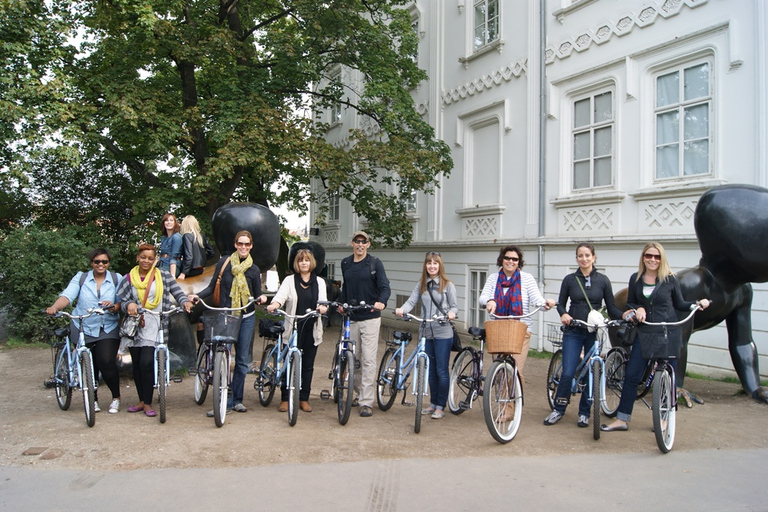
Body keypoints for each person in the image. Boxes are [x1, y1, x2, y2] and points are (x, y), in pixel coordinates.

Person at [601, 242, 710, 432]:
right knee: (632, 376)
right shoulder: (636, 279)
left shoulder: (670, 280)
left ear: (662, 259)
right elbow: (632, 302)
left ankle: (665, 418)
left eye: (657, 256)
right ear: (643, 258)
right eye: (649, 256)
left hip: (668, 333)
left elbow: (681, 304)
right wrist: (638, 308)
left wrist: (697, 304)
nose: (653, 259)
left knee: (668, 378)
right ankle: (622, 419)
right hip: (645, 332)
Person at [545, 242, 624, 428]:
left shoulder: (603, 280)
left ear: (594, 257)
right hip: (573, 330)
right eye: (580, 255)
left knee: (592, 373)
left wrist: (623, 316)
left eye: (587, 255)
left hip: (592, 331)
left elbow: (611, 306)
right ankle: (558, 409)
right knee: (569, 373)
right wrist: (564, 314)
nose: (584, 258)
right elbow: (561, 303)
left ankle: (584, 413)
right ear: (577, 258)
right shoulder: (570, 279)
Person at [188, 230, 267, 415]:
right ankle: (221, 399)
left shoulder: (254, 269)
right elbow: (211, 286)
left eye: (247, 244)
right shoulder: (224, 263)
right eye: (241, 243)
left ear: (251, 246)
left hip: (246, 317)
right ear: (235, 244)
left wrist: (261, 298)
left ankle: (236, 400)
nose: (244, 247)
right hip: (226, 315)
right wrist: (197, 296)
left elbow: (256, 295)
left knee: (241, 361)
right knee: (221, 356)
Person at [117, 244, 192, 417]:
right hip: (135, 325)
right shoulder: (129, 278)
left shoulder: (163, 276)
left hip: (156, 323)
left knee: (146, 362)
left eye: (150, 258)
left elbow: (177, 292)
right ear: (138, 258)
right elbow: (121, 302)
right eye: (143, 257)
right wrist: (130, 305)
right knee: (136, 364)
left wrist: (184, 302)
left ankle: (148, 403)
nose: (146, 261)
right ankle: (141, 400)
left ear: (155, 260)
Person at [46, 248, 123, 414]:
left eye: (104, 261)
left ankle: (116, 397)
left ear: (109, 263)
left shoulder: (117, 279)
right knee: (89, 363)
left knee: (106, 360)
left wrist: (113, 306)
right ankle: (92, 398)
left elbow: (122, 302)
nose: (101, 264)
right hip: (83, 325)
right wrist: (54, 307)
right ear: (91, 263)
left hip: (107, 326)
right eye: (97, 262)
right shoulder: (81, 278)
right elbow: (67, 296)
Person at [395, 251, 459, 419]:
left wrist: (451, 313)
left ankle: (440, 405)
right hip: (426, 331)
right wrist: (402, 309)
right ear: (425, 265)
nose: (432, 266)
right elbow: (411, 301)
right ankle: (432, 403)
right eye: (429, 263)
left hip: (443, 331)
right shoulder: (421, 284)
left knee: (441, 370)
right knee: (429, 369)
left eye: (435, 263)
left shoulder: (447, 285)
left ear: (440, 265)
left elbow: (454, 306)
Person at [479, 245, 556, 380]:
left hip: (520, 329)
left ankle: (513, 401)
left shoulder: (526, 278)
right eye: (507, 258)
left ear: (519, 262)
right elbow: (482, 298)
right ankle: (501, 401)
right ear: (502, 260)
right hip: (498, 329)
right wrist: (490, 301)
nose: (511, 261)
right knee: (499, 370)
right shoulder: (493, 278)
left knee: (515, 370)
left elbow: (537, 301)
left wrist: (546, 303)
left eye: (515, 259)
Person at [266, 249, 328, 413]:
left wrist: (322, 308)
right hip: (293, 327)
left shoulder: (319, 282)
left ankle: (304, 398)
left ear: (311, 263)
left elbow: (324, 302)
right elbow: (280, 297)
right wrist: (275, 305)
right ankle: (285, 399)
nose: (304, 263)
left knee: (307, 366)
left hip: (312, 328)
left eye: (307, 260)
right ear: (297, 263)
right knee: (288, 363)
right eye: (301, 260)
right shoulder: (289, 280)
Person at [338, 231, 391, 418]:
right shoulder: (346, 263)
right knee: (354, 359)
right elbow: (345, 287)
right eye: (357, 241)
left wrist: (381, 302)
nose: (360, 245)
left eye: (364, 242)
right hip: (352, 317)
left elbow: (385, 287)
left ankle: (366, 402)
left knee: (368, 359)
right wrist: (341, 304)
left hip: (370, 317)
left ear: (368, 245)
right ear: (352, 243)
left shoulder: (375, 263)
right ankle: (358, 394)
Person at [178, 215, 215, 280]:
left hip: (190, 270)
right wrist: (202, 260)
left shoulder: (187, 236)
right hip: (200, 269)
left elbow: (189, 256)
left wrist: (183, 273)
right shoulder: (201, 236)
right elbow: (211, 252)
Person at [158, 213, 183, 278]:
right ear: (163, 223)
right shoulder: (164, 238)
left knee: (158, 274)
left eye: (171, 220)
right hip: (162, 264)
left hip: (173, 267)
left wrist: (172, 275)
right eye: (166, 220)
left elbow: (174, 257)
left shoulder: (176, 237)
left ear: (175, 223)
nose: (169, 222)